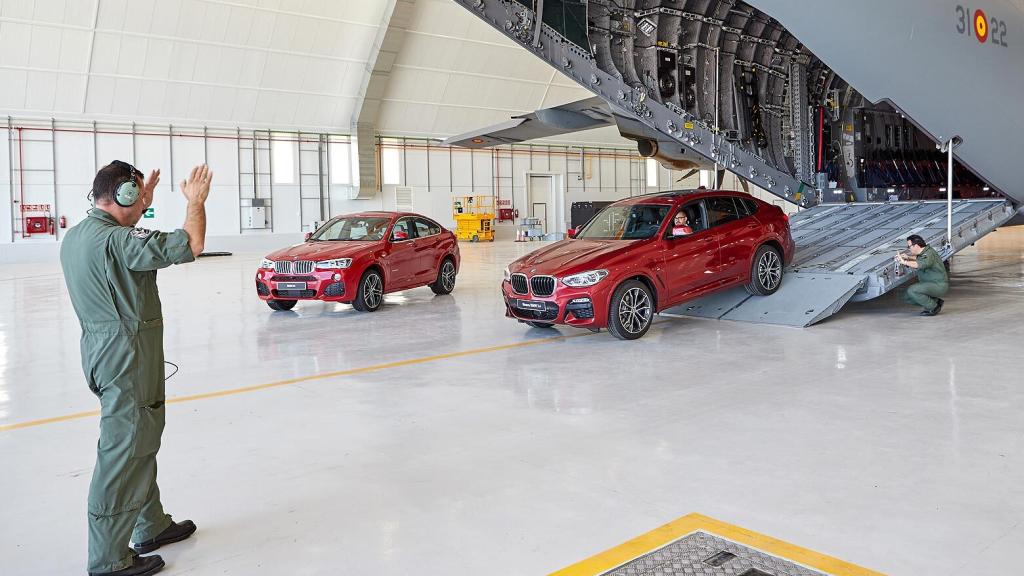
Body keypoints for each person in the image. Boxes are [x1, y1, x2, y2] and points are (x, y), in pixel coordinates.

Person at [61, 161, 212, 576]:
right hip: (128, 358)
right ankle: (108, 559)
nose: (143, 202)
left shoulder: (76, 237)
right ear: (125, 195)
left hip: (101, 353)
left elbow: (132, 246)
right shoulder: (119, 241)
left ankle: (150, 525)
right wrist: (195, 203)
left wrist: (142, 204)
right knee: (124, 450)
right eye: (138, 194)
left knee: (138, 439)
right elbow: (192, 244)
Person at [896, 234, 948, 316]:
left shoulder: (929, 254)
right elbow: (920, 258)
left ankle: (934, 307)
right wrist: (908, 257)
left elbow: (920, 264)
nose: (908, 248)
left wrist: (904, 262)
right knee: (907, 297)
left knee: (913, 290)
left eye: (909, 246)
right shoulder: (925, 252)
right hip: (930, 284)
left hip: (938, 285)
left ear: (916, 245)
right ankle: (935, 301)